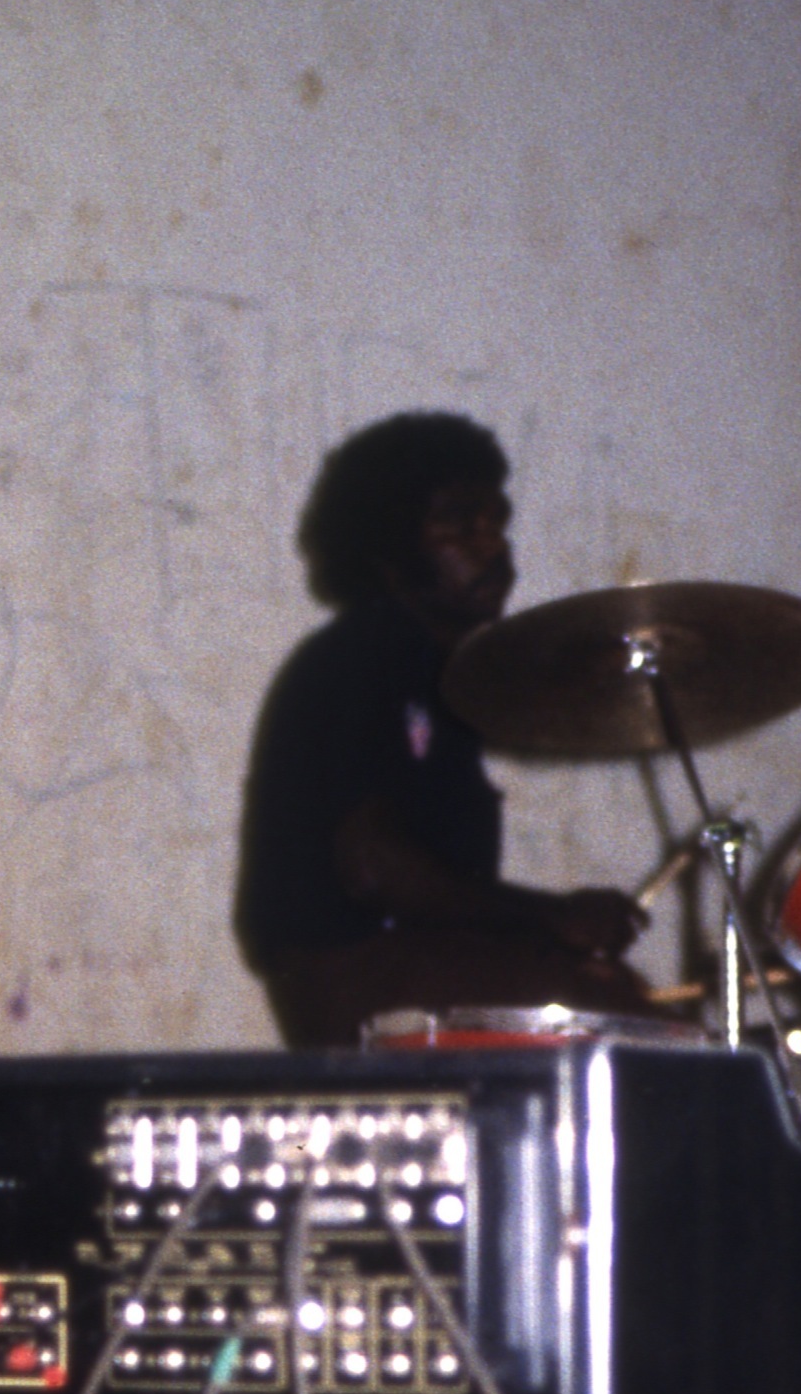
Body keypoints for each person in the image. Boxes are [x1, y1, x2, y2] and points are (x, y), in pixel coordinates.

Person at [235, 411, 650, 1046]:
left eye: (496, 522)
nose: (493, 545)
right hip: (353, 973)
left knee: (623, 1005)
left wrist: (549, 936)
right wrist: (553, 918)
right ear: (386, 548)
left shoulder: (439, 676)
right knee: (618, 1017)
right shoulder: (360, 657)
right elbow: (374, 868)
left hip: (416, 962)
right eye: (458, 524)